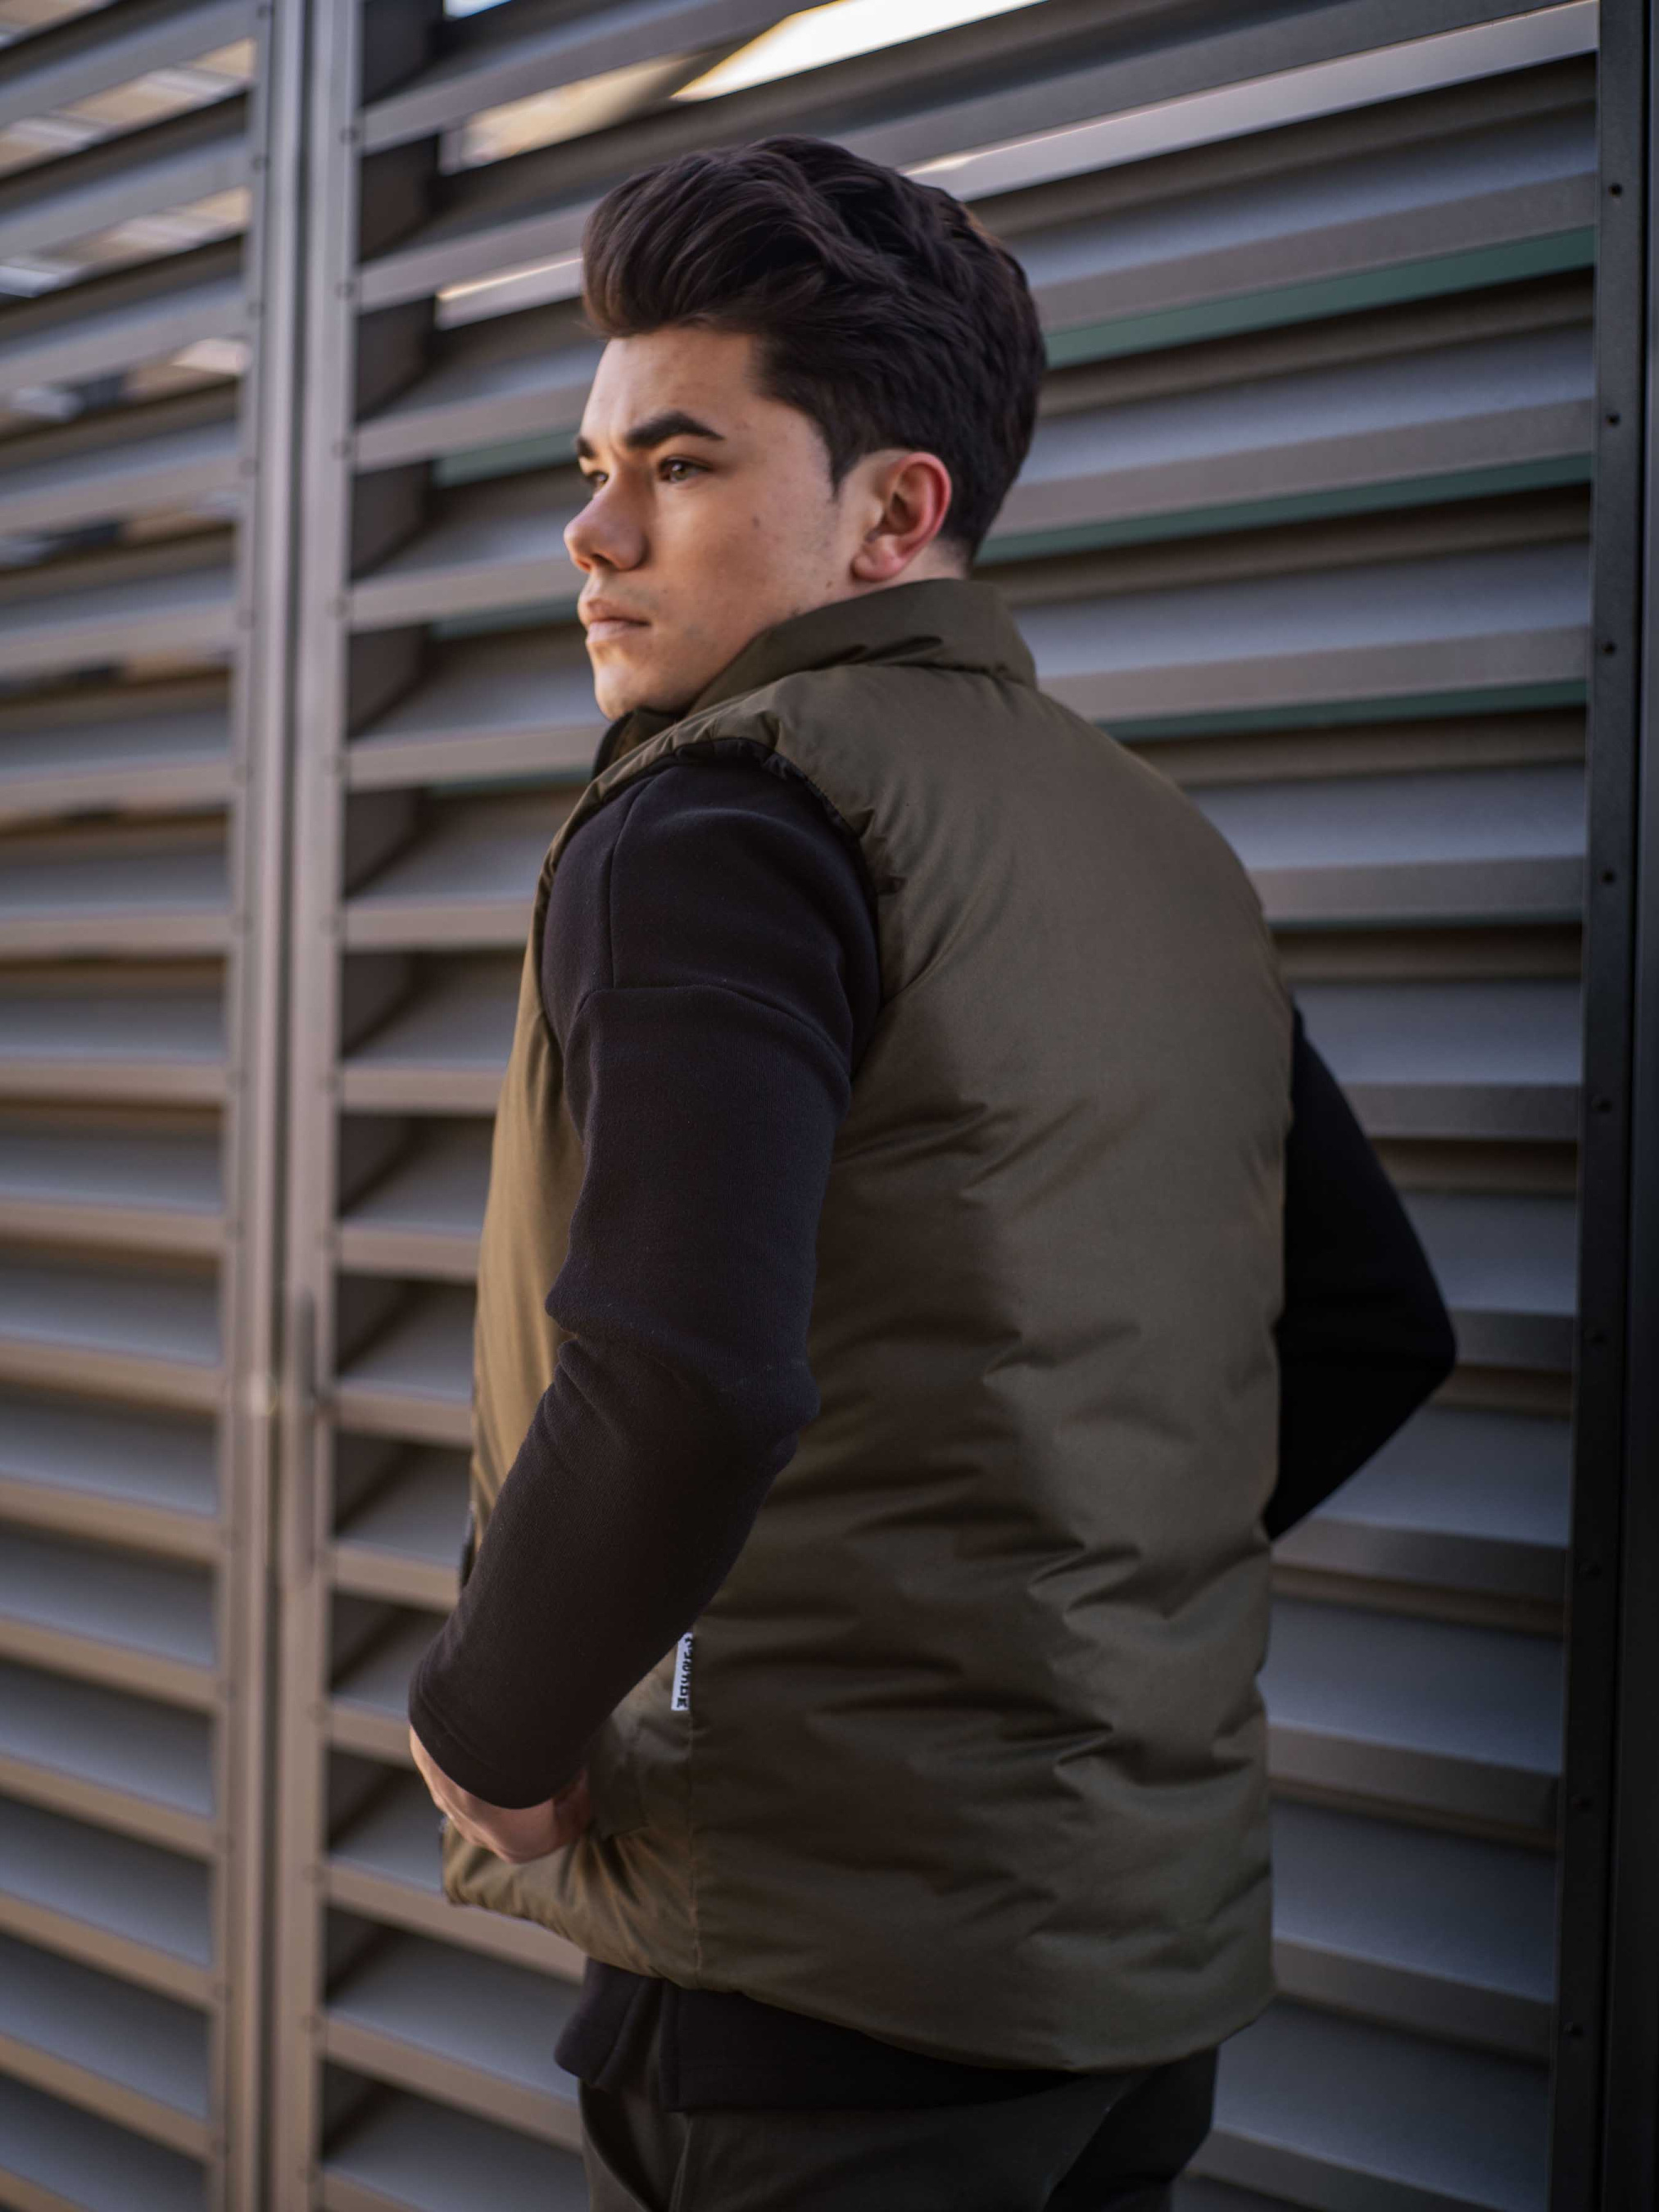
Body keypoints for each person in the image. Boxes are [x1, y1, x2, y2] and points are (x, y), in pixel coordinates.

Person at [408, 136, 1456, 2211]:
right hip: (1130, 1981)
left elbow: (678, 1373)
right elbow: (1367, 1329)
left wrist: (490, 1728)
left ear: (893, 512)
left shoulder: (716, 822)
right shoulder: (1155, 847)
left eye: (679, 466)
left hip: (809, 1982)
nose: (589, 531)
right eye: (594, 463)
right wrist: (1013, 1606)